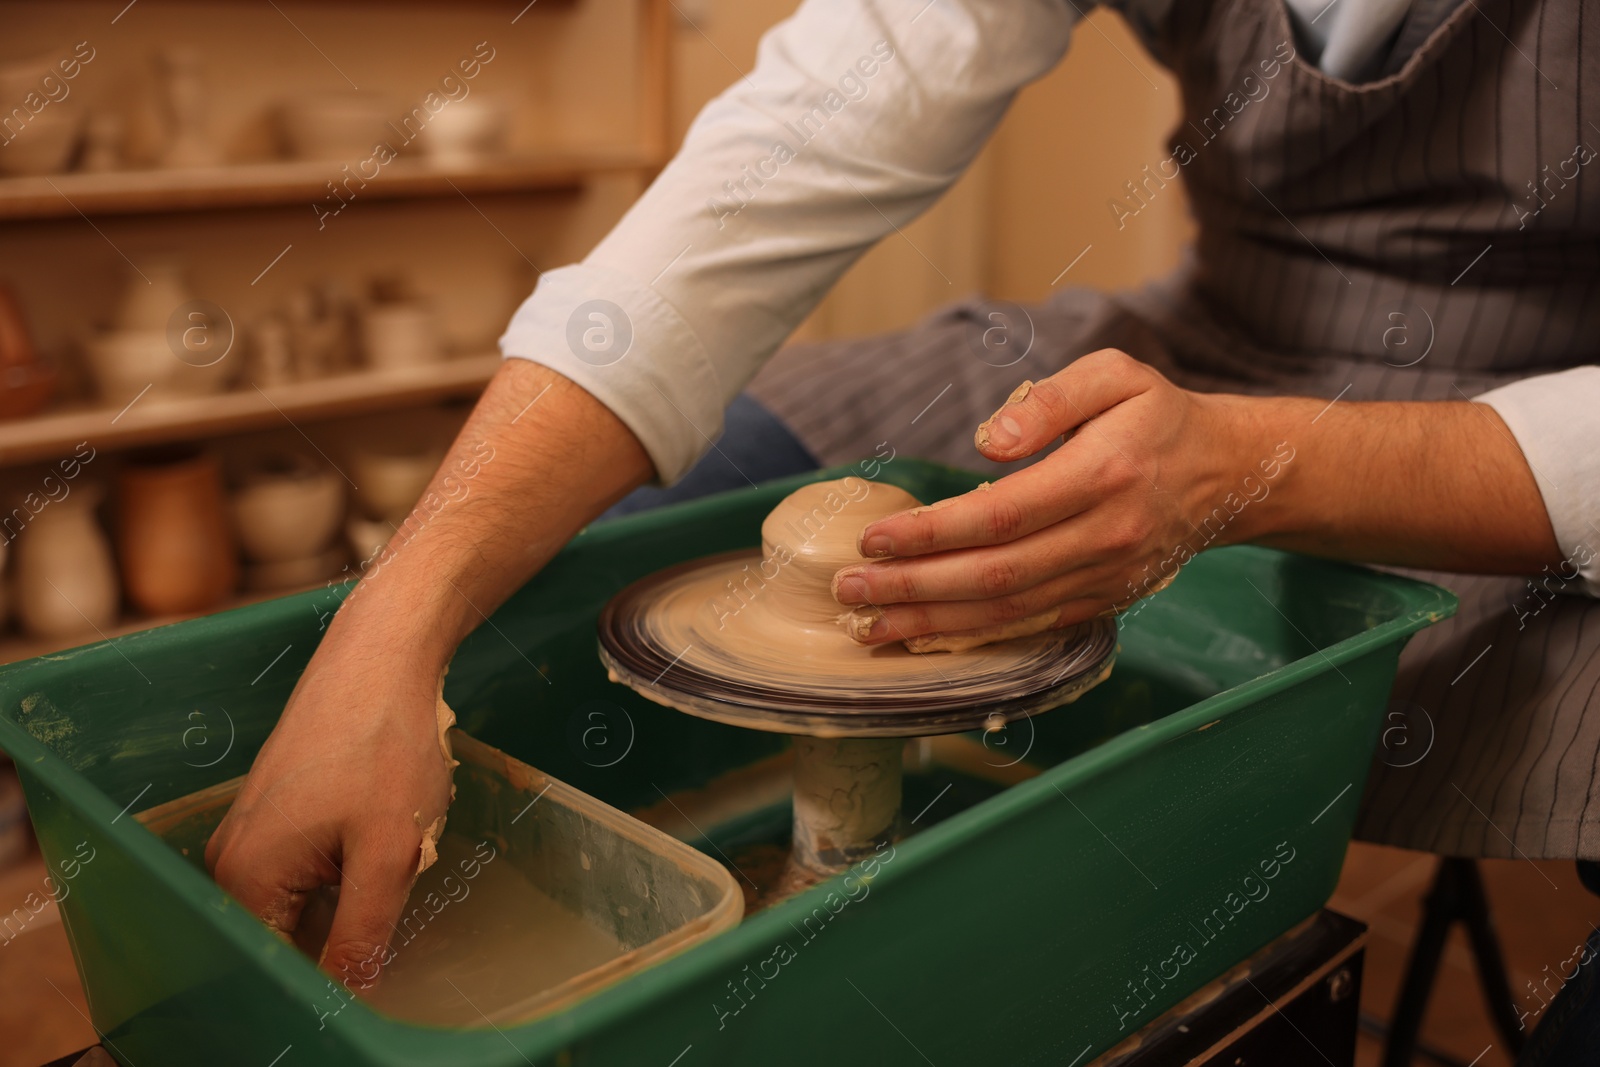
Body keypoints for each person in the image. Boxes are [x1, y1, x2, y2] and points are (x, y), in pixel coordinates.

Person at [207, 0, 1600, 1056]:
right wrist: (393, 616)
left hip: (1540, 428)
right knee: (625, 513)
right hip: (1213, 339)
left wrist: (1269, 467)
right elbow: (794, 146)